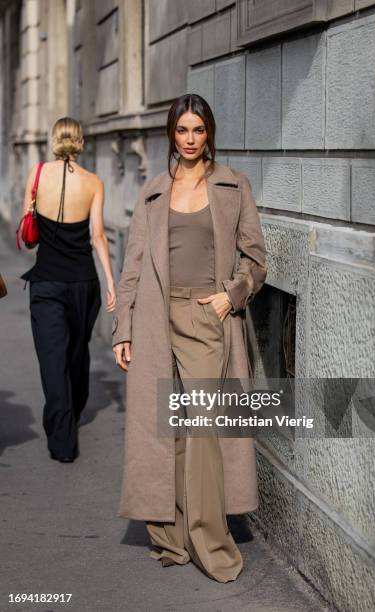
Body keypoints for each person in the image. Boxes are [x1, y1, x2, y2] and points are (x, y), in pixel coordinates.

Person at [112, 94, 267, 582]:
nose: (191, 139)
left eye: (199, 130)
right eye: (183, 130)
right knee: (168, 429)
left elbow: (256, 260)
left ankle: (210, 540)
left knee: (202, 431)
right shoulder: (154, 191)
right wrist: (123, 328)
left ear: (210, 133)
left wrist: (231, 296)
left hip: (207, 318)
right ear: (171, 134)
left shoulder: (232, 185)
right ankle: (171, 535)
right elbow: (133, 265)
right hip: (157, 319)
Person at [21, 117, 116, 463]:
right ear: (81, 142)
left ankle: (62, 437)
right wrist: (110, 281)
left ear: (53, 139)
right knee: (76, 352)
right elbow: (99, 237)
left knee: (52, 359)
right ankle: (71, 413)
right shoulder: (94, 182)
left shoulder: (36, 174)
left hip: (45, 281)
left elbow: (27, 229)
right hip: (83, 283)